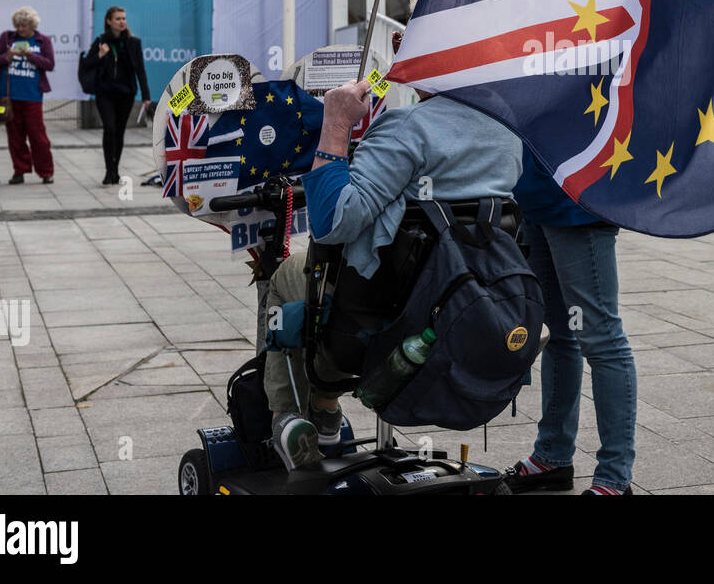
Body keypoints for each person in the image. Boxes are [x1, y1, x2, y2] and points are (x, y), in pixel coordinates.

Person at [267, 76, 522, 470]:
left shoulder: (408, 127)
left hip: (382, 315)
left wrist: (335, 124)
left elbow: (334, 222)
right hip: (463, 309)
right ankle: (325, 411)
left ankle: (298, 413)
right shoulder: (507, 132)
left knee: (285, 276)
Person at [505, 147, 636, 495]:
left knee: (602, 339)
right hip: (534, 196)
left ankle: (614, 478)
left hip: (578, 198)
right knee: (559, 337)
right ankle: (552, 456)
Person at [86, 6, 151, 185]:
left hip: (126, 93)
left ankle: (116, 170)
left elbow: (140, 70)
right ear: (109, 21)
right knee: (110, 128)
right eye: (117, 19)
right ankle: (109, 171)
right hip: (105, 92)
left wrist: (146, 96)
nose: (122, 21)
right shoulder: (100, 41)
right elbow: (87, 64)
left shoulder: (133, 42)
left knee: (120, 131)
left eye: (123, 18)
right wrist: (100, 55)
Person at [0, 6, 55, 185]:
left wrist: (30, 55)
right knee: (15, 135)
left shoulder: (42, 41)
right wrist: (8, 55)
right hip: (9, 96)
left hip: (32, 96)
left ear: (32, 25)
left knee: (38, 136)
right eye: (18, 25)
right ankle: (20, 170)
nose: (21, 29)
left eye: (25, 25)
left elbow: (49, 64)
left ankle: (46, 171)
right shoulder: (7, 38)